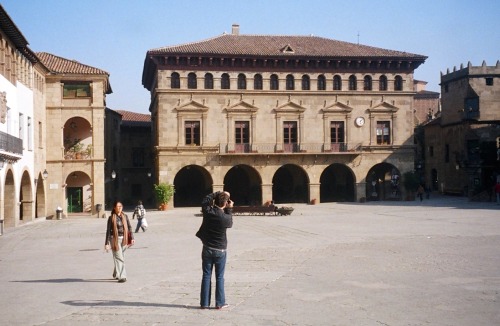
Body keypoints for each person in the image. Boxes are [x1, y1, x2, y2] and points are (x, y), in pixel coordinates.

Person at [196, 191, 233, 310]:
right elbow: (230, 223)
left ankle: (204, 303)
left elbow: (205, 200)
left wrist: (217, 193)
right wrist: (229, 209)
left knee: (206, 275)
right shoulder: (226, 218)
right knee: (219, 277)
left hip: (207, 248)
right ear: (226, 203)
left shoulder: (208, 212)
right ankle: (219, 303)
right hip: (220, 250)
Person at [104, 201, 134, 283]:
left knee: (121, 258)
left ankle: (116, 272)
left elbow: (129, 227)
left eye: (121, 206)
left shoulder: (125, 216)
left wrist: (132, 238)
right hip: (114, 239)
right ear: (114, 208)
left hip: (124, 239)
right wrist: (106, 243)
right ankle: (122, 276)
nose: (119, 208)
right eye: (118, 206)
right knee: (119, 258)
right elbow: (108, 231)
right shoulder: (111, 218)